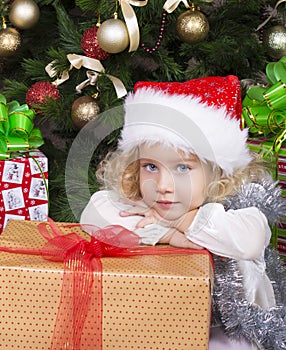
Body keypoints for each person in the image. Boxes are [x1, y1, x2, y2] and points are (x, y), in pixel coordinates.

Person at [80, 76, 286, 350]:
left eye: (183, 168)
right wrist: (166, 233)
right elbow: (93, 213)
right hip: (166, 326)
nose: (164, 187)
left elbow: (250, 241)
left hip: (234, 335)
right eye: (151, 167)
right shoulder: (143, 203)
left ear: (218, 171)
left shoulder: (238, 206)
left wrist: (181, 219)